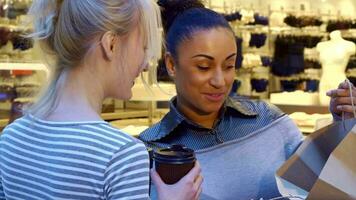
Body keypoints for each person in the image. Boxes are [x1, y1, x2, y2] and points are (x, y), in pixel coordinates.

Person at [139, 0, 356, 199]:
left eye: (229, 65)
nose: (219, 81)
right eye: (203, 67)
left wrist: (344, 125)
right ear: (171, 65)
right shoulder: (148, 150)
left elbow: (324, 181)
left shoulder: (268, 121)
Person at [0, 0, 202, 199]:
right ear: (111, 44)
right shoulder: (121, 155)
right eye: (143, 46)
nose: (146, 65)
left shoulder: (10, 138)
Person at [317, 30, 356, 105]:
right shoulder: (321, 45)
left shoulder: (349, 45)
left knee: (339, 112)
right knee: (323, 110)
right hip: (324, 81)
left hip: (339, 81)